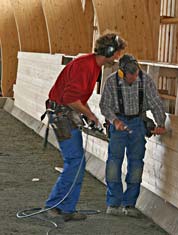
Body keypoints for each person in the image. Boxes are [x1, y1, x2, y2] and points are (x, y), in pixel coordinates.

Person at [44, 33, 127, 222]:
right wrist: (89, 115)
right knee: (75, 161)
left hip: (66, 114)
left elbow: (78, 99)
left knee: (77, 161)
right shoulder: (85, 66)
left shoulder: (92, 66)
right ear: (109, 51)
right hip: (61, 115)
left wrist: (91, 115)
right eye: (116, 54)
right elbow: (69, 98)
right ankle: (55, 206)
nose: (117, 58)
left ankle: (65, 207)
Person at [99, 54, 166, 217]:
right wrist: (114, 121)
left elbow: (156, 102)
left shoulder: (145, 80)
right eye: (131, 76)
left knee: (136, 163)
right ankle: (113, 203)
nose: (134, 78)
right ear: (122, 72)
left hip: (137, 123)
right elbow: (104, 106)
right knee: (114, 162)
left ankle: (129, 204)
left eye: (136, 74)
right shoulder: (111, 82)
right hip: (118, 122)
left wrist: (160, 123)